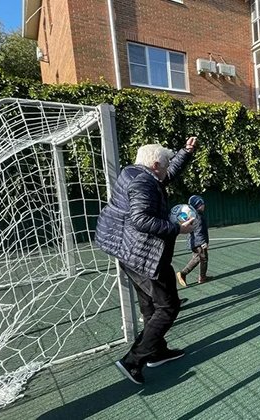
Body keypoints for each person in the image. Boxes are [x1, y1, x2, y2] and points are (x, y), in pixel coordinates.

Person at [95, 137, 198, 385]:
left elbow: (167, 175)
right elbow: (141, 219)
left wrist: (185, 152)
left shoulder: (133, 172)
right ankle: (133, 361)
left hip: (126, 252)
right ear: (154, 166)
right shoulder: (144, 183)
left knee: (150, 305)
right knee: (168, 306)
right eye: (164, 165)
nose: (166, 170)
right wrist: (177, 229)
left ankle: (157, 352)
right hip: (142, 254)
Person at [176, 195, 209, 287]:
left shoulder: (193, 215)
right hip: (199, 243)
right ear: (197, 206)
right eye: (201, 204)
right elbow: (199, 231)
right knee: (204, 259)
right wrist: (204, 243)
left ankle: (184, 274)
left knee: (197, 258)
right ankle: (201, 277)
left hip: (194, 242)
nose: (204, 206)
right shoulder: (198, 217)